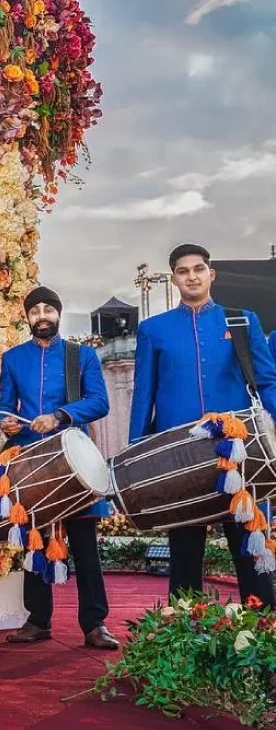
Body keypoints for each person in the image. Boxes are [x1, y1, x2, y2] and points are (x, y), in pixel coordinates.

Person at [130, 243, 276, 606]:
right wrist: (136, 452)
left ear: (211, 274)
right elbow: (143, 394)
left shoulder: (242, 321)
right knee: (184, 549)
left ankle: (263, 623)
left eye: (198, 269)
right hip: (177, 451)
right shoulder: (152, 330)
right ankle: (184, 625)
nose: (192, 277)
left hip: (238, 449)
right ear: (174, 279)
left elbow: (266, 381)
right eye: (183, 271)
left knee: (249, 542)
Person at [0, 286, 119, 650]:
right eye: (35, 310)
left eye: (48, 309)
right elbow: (4, 406)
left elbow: (99, 402)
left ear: (58, 313)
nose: (41, 315)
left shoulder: (81, 355)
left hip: (75, 459)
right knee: (34, 540)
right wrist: (7, 423)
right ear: (27, 317)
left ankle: (95, 623)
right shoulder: (13, 359)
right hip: (31, 461)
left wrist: (60, 416)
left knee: (85, 544)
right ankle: (38, 620)